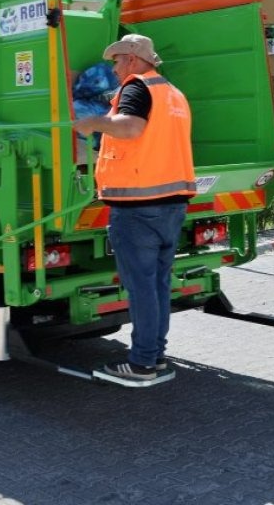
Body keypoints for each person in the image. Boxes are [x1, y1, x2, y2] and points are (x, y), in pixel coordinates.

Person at [73, 34, 195, 382]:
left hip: (138, 205)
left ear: (131, 58)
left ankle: (141, 363)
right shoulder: (175, 94)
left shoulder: (136, 87)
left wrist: (93, 122)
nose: (113, 68)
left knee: (142, 286)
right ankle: (154, 356)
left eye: (116, 61)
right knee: (156, 283)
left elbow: (130, 127)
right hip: (171, 203)